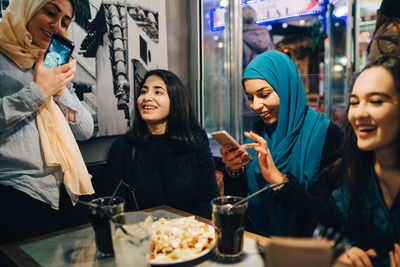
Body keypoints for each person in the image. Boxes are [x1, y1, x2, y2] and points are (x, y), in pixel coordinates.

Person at [0, 0, 94, 244]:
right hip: (14, 193)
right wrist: (38, 91)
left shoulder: (51, 65)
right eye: (50, 12)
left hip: (61, 193)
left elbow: (85, 130)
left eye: (65, 22)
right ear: (27, 8)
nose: (57, 26)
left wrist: (58, 87)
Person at [220, 51, 344, 237]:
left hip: (308, 251)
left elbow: (330, 216)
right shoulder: (257, 133)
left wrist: (278, 179)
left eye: (264, 94)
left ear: (287, 88)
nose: (255, 105)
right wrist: (234, 170)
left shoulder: (328, 135)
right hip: (258, 242)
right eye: (251, 97)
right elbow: (239, 205)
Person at [107, 69, 219, 219]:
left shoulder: (195, 142)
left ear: (175, 100)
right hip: (140, 234)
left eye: (158, 92)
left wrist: (187, 232)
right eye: (143, 91)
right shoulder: (122, 147)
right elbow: (114, 206)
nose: (147, 97)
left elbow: (208, 198)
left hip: (187, 235)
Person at [329, 56, 400, 267]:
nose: (359, 113)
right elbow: (337, 236)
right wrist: (344, 252)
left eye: (376, 101)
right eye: (354, 102)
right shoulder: (352, 172)